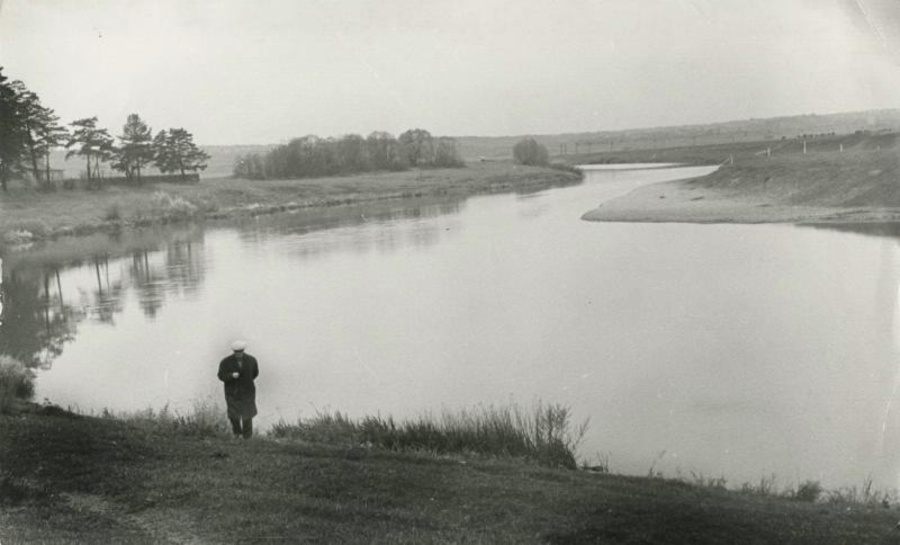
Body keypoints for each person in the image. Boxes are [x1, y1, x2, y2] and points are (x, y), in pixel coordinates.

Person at [217, 340, 259, 439]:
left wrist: (246, 381)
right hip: (232, 392)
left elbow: (255, 373)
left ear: (243, 350)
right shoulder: (225, 362)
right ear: (233, 351)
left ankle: (247, 437)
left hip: (247, 392)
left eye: (240, 351)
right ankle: (237, 433)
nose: (239, 354)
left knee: (247, 414)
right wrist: (231, 376)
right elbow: (221, 375)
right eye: (237, 352)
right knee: (234, 414)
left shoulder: (251, 360)